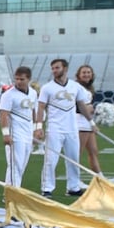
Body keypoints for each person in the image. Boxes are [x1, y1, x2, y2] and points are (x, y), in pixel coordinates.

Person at [37, 58, 90, 197]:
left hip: (72, 128)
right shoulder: (47, 88)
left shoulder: (75, 86)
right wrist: (38, 126)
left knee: (73, 159)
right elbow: (41, 106)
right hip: (54, 128)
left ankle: (73, 187)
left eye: (57, 68)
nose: (54, 71)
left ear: (65, 69)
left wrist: (92, 123)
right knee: (51, 160)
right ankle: (47, 188)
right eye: (53, 68)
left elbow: (82, 105)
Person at [0, 67, 36, 187]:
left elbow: (33, 112)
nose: (19, 82)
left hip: (28, 133)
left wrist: (36, 128)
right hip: (15, 134)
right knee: (15, 165)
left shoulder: (33, 93)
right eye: (17, 79)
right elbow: (3, 115)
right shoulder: (8, 95)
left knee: (22, 165)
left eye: (22, 79)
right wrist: (6, 134)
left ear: (28, 79)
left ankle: (14, 190)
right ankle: (12, 194)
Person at [74, 63, 102, 176]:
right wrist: (86, 109)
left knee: (93, 151)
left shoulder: (90, 87)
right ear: (79, 75)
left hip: (88, 122)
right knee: (78, 153)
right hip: (79, 122)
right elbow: (74, 106)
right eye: (84, 73)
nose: (86, 75)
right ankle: (75, 181)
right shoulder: (76, 87)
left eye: (88, 72)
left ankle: (101, 178)